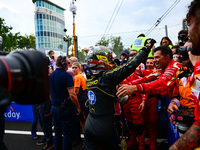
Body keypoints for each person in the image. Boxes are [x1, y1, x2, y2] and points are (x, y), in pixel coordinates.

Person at [84, 39, 156, 150]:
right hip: (105, 127)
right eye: (109, 59)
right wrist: (146, 48)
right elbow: (129, 66)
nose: (111, 62)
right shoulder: (106, 78)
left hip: (89, 124)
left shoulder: (89, 78)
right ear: (101, 61)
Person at [169, 0, 200, 149]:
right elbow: (176, 95)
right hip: (185, 123)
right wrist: (174, 103)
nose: (189, 33)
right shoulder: (179, 72)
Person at [117, 45, 182, 100]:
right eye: (154, 58)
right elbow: (147, 77)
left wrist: (136, 88)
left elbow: (161, 84)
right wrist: (128, 85)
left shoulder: (174, 66)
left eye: (157, 57)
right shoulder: (163, 68)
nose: (154, 60)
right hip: (173, 100)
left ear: (167, 57)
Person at [50, 56, 81, 150]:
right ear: (63, 64)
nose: (70, 65)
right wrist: (78, 106)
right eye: (68, 63)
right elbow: (72, 95)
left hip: (54, 107)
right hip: (65, 109)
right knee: (67, 134)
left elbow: (49, 93)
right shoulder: (66, 76)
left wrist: (54, 101)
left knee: (57, 132)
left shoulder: (51, 75)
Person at [72, 62, 88, 148]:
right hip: (84, 99)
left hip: (81, 101)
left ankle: (87, 142)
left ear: (79, 68)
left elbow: (76, 92)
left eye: (75, 68)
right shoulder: (82, 75)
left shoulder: (77, 77)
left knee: (83, 123)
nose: (74, 69)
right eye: (73, 68)